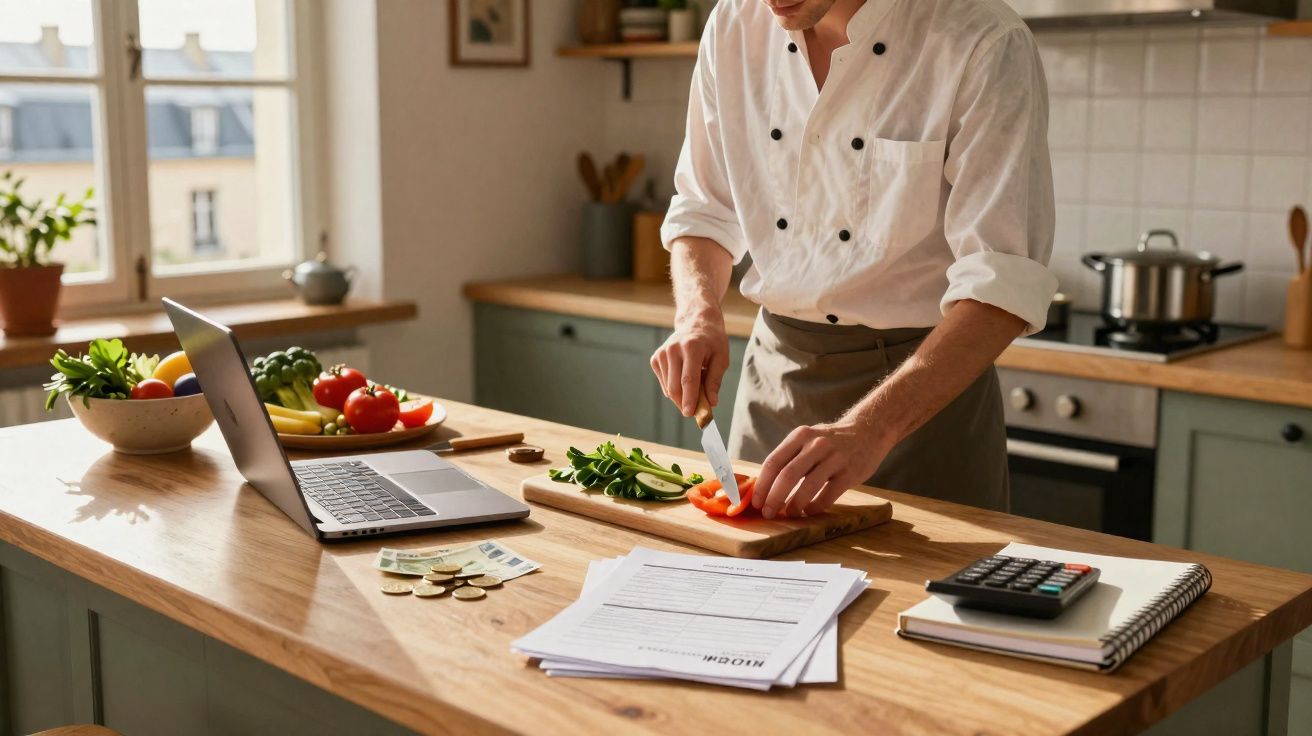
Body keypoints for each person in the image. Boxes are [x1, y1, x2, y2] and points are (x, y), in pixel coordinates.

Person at [650, 0, 1057, 519]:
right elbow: (704, 208)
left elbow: (1001, 279)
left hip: (920, 408)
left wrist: (870, 429)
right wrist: (697, 314)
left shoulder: (981, 39)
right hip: (773, 386)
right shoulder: (734, 24)